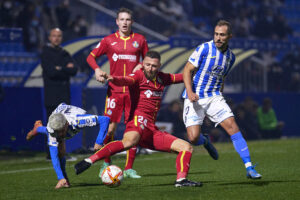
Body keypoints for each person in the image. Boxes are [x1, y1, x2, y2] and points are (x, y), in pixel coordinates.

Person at [75, 51, 202, 187]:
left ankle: (181, 181)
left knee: (186, 147)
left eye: (154, 66)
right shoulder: (138, 75)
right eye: (147, 64)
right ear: (142, 64)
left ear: (159, 66)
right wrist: (113, 78)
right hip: (137, 121)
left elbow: (183, 76)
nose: (150, 68)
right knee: (129, 141)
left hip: (151, 130)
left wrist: (201, 68)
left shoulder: (162, 78)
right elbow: (126, 80)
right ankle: (89, 160)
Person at [182, 20, 262, 179]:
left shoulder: (231, 57)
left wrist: (220, 93)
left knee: (233, 126)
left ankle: (249, 167)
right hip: (195, 97)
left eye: (222, 35)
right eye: (216, 34)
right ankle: (205, 142)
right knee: (193, 137)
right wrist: (190, 92)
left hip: (214, 97)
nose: (218, 38)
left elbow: (222, 76)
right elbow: (187, 70)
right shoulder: (204, 48)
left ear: (229, 36)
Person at [86, 7, 148, 178]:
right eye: (122, 19)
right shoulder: (108, 40)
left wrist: (141, 65)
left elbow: (149, 61)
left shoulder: (140, 40)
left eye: (128, 19)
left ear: (132, 22)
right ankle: (106, 164)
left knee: (132, 129)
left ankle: (129, 168)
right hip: (114, 91)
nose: (125, 22)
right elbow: (90, 57)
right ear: (117, 21)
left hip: (133, 91)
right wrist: (98, 70)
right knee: (110, 127)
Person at [26, 103, 110, 189]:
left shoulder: (78, 120)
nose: (58, 134)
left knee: (60, 140)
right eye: (56, 131)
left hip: (70, 113)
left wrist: (99, 141)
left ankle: (38, 128)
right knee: (60, 151)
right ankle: (64, 180)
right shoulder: (52, 130)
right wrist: (60, 178)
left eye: (61, 131)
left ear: (66, 124)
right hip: (58, 116)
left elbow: (105, 120)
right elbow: (54, 156)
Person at [41, 28, 78, 159]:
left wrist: (59, 68)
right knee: (52, 126)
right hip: (52, 95)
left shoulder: (65, 53)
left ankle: (61, 153)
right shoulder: (45, 53)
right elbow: (51, 72)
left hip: (64, 95)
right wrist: (64, 68)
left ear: (61, 38)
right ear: (49, 37)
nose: (56, 38)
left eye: (59, 36)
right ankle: (51, 154)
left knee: (63, 127)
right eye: (54, 36)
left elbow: (74, 69)